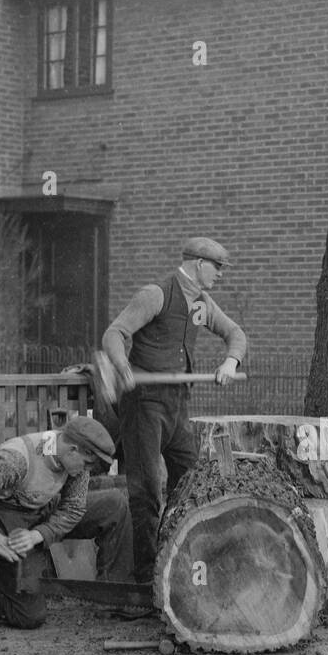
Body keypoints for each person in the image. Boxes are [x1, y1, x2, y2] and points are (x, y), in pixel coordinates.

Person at [101, 237, 248, 587]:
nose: (221, 275)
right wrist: (121, 366)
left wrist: (230, 360)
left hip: (177, 405)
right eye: (217, 267)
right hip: (144, 404)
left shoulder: (202, 302)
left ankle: (178, 565)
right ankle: (144, 579)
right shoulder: (156, 294)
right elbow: (114, 333)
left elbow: (236, 333)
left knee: (189, 482)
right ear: (198, 263)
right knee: (147, 490)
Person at [0, 416, 135, 629]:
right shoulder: (15, 461)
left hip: (42, 509)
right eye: (86, 464)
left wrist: (38, 535)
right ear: (73, 450)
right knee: (29, 615)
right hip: (8, 518)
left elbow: (73, 508)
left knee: (114, 504)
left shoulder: (70, 456)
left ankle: (113, 596)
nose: (87, 471)